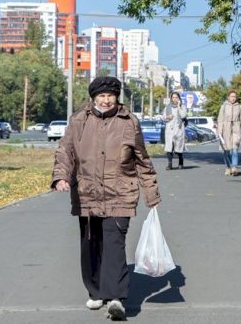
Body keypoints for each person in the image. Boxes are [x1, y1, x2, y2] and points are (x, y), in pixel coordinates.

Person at [52, 76, 161, 321]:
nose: (106, 100)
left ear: (117, 97)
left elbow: (142, 159)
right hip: (87, 193)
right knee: (91, 245)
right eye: (101, 96)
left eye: (110, 95)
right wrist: (61, 176)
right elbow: (65, 151)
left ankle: (115, 298)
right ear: (93, 98)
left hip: (120, 192)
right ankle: (96, 291)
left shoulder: (129, 122)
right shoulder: (79, 120)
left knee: (114, 244)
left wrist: (151, 192)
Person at [217, 90, 241, 176]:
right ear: (228, 97)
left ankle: (234, 168)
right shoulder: (223, 106)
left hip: (236, 129)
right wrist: (220, 131)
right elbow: (220, 119)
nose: (233, 98)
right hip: (226, 129)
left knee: (234, 149)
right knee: (226, 150)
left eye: (235, 96)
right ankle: (228, 167)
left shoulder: (239, 107)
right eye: (232, 96)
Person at [163, 91, 187, 170]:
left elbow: (183, 116)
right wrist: (167, 117)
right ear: (171, 98)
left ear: (179, 98)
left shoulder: (183, 107)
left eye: (176, 97)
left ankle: (180, 161)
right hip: (169, 129)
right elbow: (163, 118)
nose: (174, 99)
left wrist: (179, 107)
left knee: (178, 147)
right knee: (169, 147)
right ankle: (169, 164)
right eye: (173, 97)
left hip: (179, 129)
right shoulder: (167, 107)